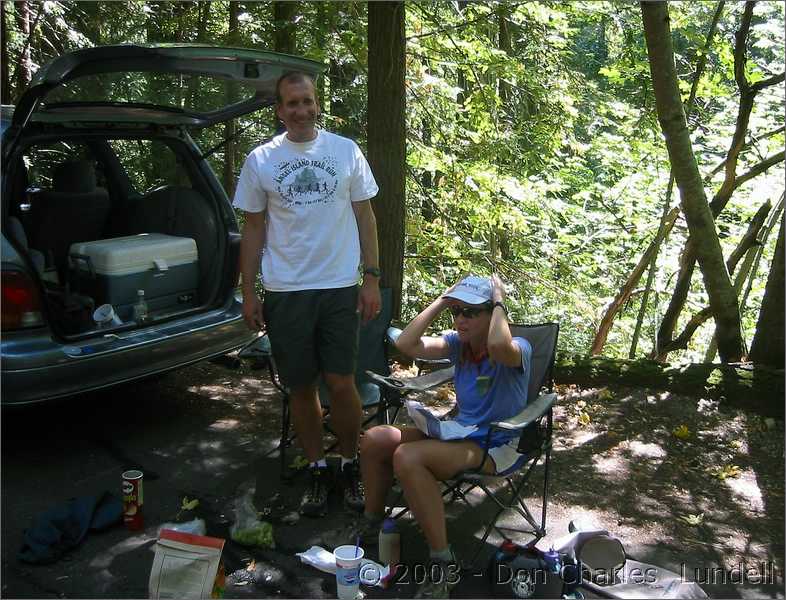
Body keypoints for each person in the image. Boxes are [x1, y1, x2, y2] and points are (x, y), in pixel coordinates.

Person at [233, 71, 382, 517]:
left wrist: (371, 278)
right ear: (279, 111)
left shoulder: (345, 151)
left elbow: (366, 217)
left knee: (341, 381)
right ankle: (317, 467)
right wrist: (249, 291)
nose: (300, 110)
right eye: (291, 104)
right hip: (286, 290)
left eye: (307, 101)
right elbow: (253, 228)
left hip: (338, 287)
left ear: (317, 104)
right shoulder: (261, 160)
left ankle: (349, 462)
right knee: (300, 387)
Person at [358, 274, 532, 599]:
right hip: (458, 434)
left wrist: (498, 301)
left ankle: (442, 561)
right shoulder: (458, 346)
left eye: (470, 312)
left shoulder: (518, 348)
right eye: (458, 312)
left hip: (496, 443)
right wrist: (442, 300)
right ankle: (371, 522)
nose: (461, 319)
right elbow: (405, 344)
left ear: (491, 314)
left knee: (406, 457)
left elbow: (497, 345)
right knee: (375, 438)